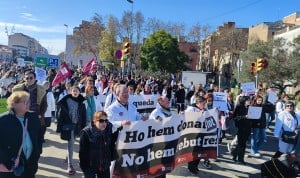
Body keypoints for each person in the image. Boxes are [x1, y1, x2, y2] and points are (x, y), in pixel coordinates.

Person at [0, 91, 42, 178]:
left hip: (30, 164)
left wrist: (38, 152)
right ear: (14, 104)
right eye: (24, 102)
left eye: (28, 101)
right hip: (10, 167)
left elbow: (39, 137)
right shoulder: (3, 120)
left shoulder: (33, 117)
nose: (28, 104)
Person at [79, 111, 124, 178]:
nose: (104, 123)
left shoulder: (108, 128)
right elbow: (82, 153)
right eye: (101, 121)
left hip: (104, 166)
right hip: (90, 166)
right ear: (94, 121)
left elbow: (112, 141)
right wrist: (85, 169)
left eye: (106, 121)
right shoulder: (86, 132)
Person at [56, 86, 87, 175]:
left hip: (78, 126)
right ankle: (70, 165)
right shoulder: (66, 100)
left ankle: (67, 157)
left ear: (79, 92)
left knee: (71, 143)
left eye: (77, 91)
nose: (75, 92)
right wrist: (60, 125)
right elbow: (60, 114)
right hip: (69, 126)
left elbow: (83, 115)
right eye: (73, 91)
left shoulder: (82, 102)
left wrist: (83, 127)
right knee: (71, 144)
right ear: (70, 91)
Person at [185, 96, 211, 174]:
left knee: (199, 152)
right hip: (193, 134)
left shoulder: (204, 109)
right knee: (193, 152)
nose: (204, 105)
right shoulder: (191, 109)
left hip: (201, 133)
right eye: (203, 103)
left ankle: (196, 166)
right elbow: (189, 120)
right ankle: (191, 167)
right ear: (198, 103)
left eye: (205, 103)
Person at [148, 96, 172, 178]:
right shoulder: (156, 113)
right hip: (158, 143)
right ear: (161, 102)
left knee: (164, 163)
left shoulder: (168, 110)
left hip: (166, 141)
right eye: (166, 101)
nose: (168, 102)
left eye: (168, 100)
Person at [231, 96, 251, 164]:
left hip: (248, 128)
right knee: (241, 144)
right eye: (248, 100)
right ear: (244, 101)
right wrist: (244, 116)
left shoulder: (250, 107)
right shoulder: (239, 107)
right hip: (240, 128)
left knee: (243, 144)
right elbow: (235, 117)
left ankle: (237, 155)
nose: (249, 101)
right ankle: (238, 157)